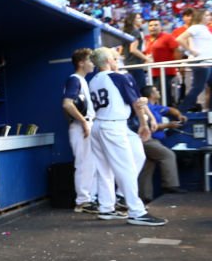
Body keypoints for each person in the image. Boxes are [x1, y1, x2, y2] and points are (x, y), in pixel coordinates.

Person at [88, 47, 167, 226]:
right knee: (126, 168)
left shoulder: (93, 80)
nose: (117, 61)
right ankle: (136, 211)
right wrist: (144, 124)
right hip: (113, 126)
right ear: (108, 60)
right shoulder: (117, 77)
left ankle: (106, 208)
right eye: (115, 58)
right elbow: (136, 103)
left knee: (104, 169)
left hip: (99, 125)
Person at [61, 47, 98, 213]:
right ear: (81, 63)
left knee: (92, 164)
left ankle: (91, 199)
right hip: (81, 126)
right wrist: (83, 122)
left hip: (86, 124)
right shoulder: (75, 79)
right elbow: (67, 104)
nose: (93, 64)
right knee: (84, 164)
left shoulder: (83, 80)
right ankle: (83, 201)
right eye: (90, 60)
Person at [138, 85, 188, 201]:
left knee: (147, 166)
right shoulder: (145, 108)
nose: (159, 91)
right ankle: (170, 186)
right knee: (167, 155)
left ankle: (144, 196)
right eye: (156, 90)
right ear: (150, 95)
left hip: (155, 141)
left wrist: (179, 115)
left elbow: (170, 110)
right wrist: (168, 125)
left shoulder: (155, 107)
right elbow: (150, 127)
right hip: (147, 140)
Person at [177, 8, 212, 112]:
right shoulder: (196, 28)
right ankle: (181, 110)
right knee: (198, 87)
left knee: (203, 87)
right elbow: (179, 39)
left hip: (208, 62)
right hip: (201, 62)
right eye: (207, 15)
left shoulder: (204, 28)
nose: (209, 17)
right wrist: (191, 51)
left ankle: (209, 111)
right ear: (200, 16)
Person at [144, 18, 182, 104]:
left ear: (161, 27)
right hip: (152, 72)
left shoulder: (167, 37)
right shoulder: (147, 39)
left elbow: (177, 51)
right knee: (155, 95)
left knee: (163, 95)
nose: (153, 27)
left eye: (156, 25)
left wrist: (178, 66)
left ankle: (167, 113)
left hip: (166, 71)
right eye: (151, 25)